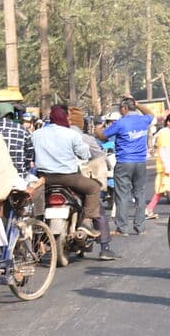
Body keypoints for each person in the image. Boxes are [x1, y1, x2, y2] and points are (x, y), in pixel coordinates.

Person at [34, 104, 115, 261]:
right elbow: (85, 154)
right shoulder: (73, 135)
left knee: (36, 204)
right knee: (93, 188)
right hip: (69, 177)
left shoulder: (37, 134)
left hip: (44, 178)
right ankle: (87, 221)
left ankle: (36, 235)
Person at [103, 98, 155, 235]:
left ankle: (122, 228)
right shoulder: (143, 120)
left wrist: (98, 128)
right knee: (140, 194)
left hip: (124, 162)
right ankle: (140, 227)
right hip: (140, 163)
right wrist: (138, 104)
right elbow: (151, 113)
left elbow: (103, 136)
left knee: (122, 195)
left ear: (124, 108)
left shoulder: (120, 123)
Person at [149, 112, 170, 216]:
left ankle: (149, 209)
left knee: (160, 190)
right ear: (168, 122)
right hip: (165, 166)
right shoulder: (164, 133)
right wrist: (167, 167)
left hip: (168, 165)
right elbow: (163, 151)